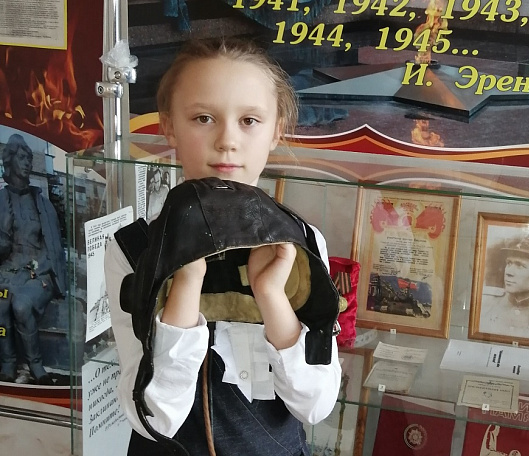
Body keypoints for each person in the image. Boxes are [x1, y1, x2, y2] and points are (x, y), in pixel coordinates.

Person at [104, 37, 341, 455]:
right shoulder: (133, 249)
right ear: (169, 126)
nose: (227, 140)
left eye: (249, 120)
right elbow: (154, 418)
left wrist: (271, 294)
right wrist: (184, 280)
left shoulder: (301, 244)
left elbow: (315, 405)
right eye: (203, 118)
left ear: (276, 130)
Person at [0, 134, 66, 385]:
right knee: (1, 304)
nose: (27, 163)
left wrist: (36, 272)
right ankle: (7, 365)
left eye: (28, 158)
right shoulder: (1, 201)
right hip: (7, 272)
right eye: (21, 157)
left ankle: (36, 366)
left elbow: (53, 248)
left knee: (21, 305)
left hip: (37, 274)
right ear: (10, 161)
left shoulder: (41, 203)